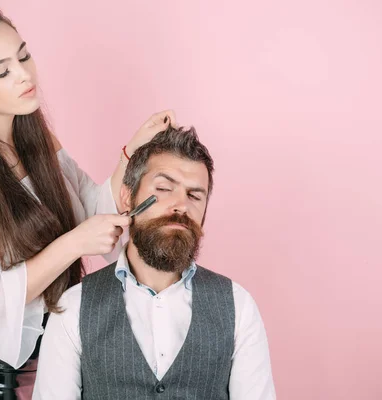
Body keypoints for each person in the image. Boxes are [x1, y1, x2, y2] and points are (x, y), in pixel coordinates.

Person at [0, 3, 176, 399]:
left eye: (24, 56)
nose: (24, 75)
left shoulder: (38, 141)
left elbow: (91, 211)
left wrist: (132, 152)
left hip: (43, 354)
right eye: (1, 71)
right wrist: (74, 244)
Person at [33, 126, 276, 400]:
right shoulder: (73, 308)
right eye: (163, 188)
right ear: (128, 197)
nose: (180, 205)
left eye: (195, 196)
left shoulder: (238, 306)